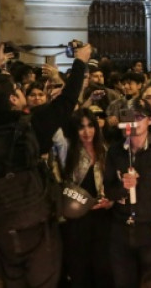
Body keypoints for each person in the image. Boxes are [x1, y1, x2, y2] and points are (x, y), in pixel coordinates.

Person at [0, 42, 90, 288]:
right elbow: (67, 101)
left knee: (13, 281)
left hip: (3, 223)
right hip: (38, 226)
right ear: (14, 99)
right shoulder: (33, 125)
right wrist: (80, 62)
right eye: (17, 88)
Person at [104, 100, 151, 288]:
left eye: (139, 117)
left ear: (150, 120)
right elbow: (109, 190)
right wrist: (123, 187)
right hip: (121, 229)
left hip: (150, 229)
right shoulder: (115, 150)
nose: (134, 122)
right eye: (129, 117)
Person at [59, 108, 113, 288]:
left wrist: (110, 201)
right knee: (79, 271)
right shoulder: (67, 150)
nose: (87, 131)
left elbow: (114, 184)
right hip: (76, 220)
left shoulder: (106, 151)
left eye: (90, 126)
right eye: (81, 127)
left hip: (102, 218)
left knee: (103, 271)